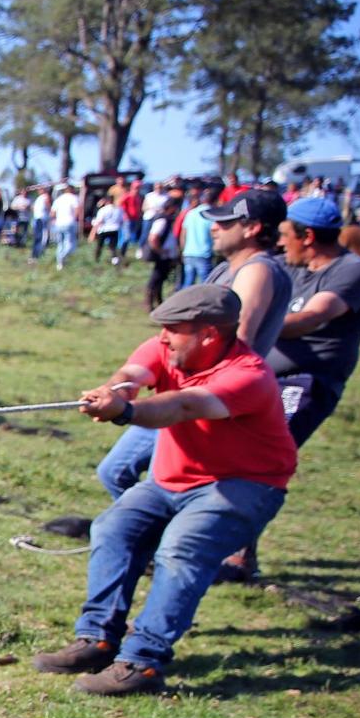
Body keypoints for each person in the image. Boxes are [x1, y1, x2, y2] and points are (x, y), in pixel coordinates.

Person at [33, 285, 296, 695]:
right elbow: (133, 373)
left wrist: (126, 412)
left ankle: (143, 663)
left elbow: (184, 406)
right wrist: (117, 389)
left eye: (174, 328)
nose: (163, 337)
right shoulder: (170, 348)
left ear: (208, 334)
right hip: (171, 480)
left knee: (182, 548)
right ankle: (97, 639)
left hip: (242, 487)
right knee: (112, 528)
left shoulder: (248, 376)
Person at [97, 188, 290, 502]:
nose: (215, 227)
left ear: (252, 228)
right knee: (124, 473)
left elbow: (237, 340)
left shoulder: (256, 272)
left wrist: (180, 396)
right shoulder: (229, 269)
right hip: (188, 394)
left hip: (199, 398)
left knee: (125, 474)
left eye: (226, 222)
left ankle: (154, 540)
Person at [268, 196, 360, 448]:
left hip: (305, 380)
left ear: (307, 237)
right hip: (260, 373)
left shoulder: (353, 270)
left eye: (284, 235)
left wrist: (249, 323)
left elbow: (311, 317)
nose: (280, 243)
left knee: (269, 451)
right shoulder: (286, 264)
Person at [141, 194, 179, 310]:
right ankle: (149, 303)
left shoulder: (166, 219)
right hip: (162, 255)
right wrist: (161, 251)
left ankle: (158, 301)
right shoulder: (162, 220)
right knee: (156, 278)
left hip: (165, 255)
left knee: (160, 279)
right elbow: (153, 238)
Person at [178, 188, 215, 287]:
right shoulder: (212, 215)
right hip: (203, 253)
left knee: (188, 282)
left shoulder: (191, 213)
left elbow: (183, 234)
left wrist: (183, 250)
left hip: (189, 252)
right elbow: (214, 234)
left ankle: (184, 301)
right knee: (206, 284)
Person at [51, 185, 82, 270]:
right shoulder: (74, 198)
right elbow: (77, 210)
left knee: (60, 243)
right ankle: (63, 257)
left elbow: (52, 213)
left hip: (58, 223)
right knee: (70, 243)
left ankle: (59, 264)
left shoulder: (58, 199)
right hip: (69, 222)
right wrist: (75, 219)